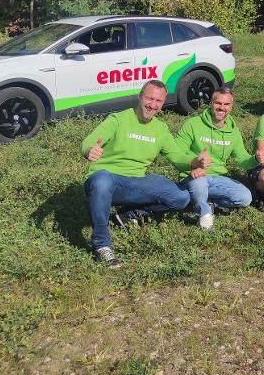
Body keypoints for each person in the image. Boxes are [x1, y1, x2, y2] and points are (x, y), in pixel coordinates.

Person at [80, 80, 191, 268]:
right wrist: (89, 150)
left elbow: (177, 156)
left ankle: (128, 214)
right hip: (109, 180)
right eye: (149, 98)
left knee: (181, 197)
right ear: (140, 97)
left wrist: (194, 162)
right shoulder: (118, 119)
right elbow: (89, 141)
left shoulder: (161, 129)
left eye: (158, 101)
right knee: (101, 181)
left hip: (136, 183)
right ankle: (102, 245)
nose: (152, 104)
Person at [174, 87, 252, 230]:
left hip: (218, 179)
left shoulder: (233, 131)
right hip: (195, 176)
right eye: (218, 103)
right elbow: (176, 153)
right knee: (199, 183)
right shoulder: (192, 124)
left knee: (245, 197)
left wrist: (256, 160)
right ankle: (204, 215)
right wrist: (194, 163)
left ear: (231, 107)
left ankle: (204, 201)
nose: (222, 107)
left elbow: (241, 158)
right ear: (211, 103)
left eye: (226, 104)